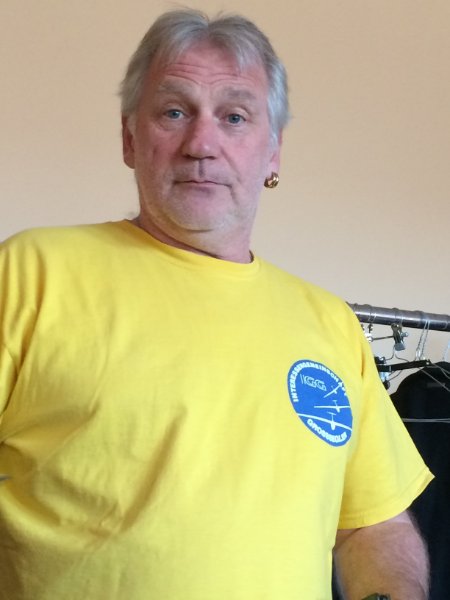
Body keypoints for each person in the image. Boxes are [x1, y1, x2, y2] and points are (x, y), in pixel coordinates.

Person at [0, 8, 433, 600]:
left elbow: (370, 525)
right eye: (174, 112)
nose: (201, 144)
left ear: (273, 152)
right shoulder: (30, 273)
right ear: (130, 138)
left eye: (234, 116)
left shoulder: (331, 324)